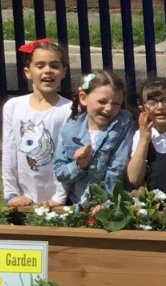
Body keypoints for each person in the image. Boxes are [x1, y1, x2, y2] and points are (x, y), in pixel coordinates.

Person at [2, 39, 73, 206]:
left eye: (54, 66)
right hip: (23, 198)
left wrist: (59, 198)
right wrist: (11, 193)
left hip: (59, 199)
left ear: (64, 72)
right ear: (28, 72)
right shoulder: (13, 106)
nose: (48, 71)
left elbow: (69, 157)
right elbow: (9, 151)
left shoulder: (69, 110)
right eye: (40, 66)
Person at [54, 70, 135, 205]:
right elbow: (59, 172)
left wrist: (106, 203)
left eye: (116, 104)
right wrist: (79, 165)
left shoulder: (122, 123)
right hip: (79, 204)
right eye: (102, 101)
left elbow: (117, 167)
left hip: (111, 205)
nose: (108, 108)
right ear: (83, 98)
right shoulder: (69, 131)